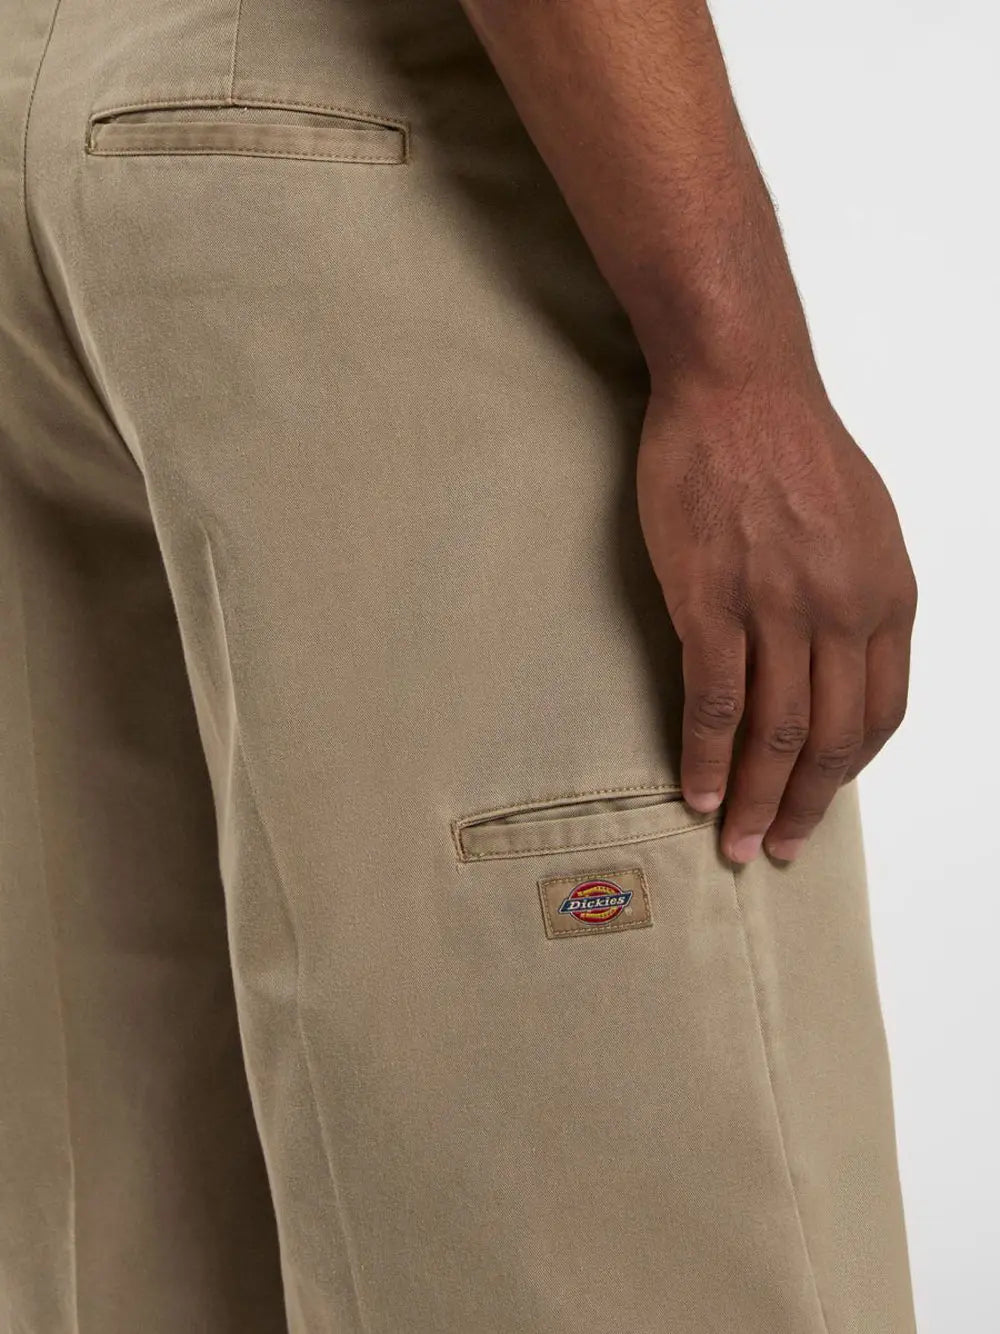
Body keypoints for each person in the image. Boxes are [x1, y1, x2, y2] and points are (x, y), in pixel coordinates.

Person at [0, 0, 917, 1329]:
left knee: (137, 1233)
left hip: (38, 138)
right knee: (640, 1253)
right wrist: (741, 371)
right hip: (345, 140)